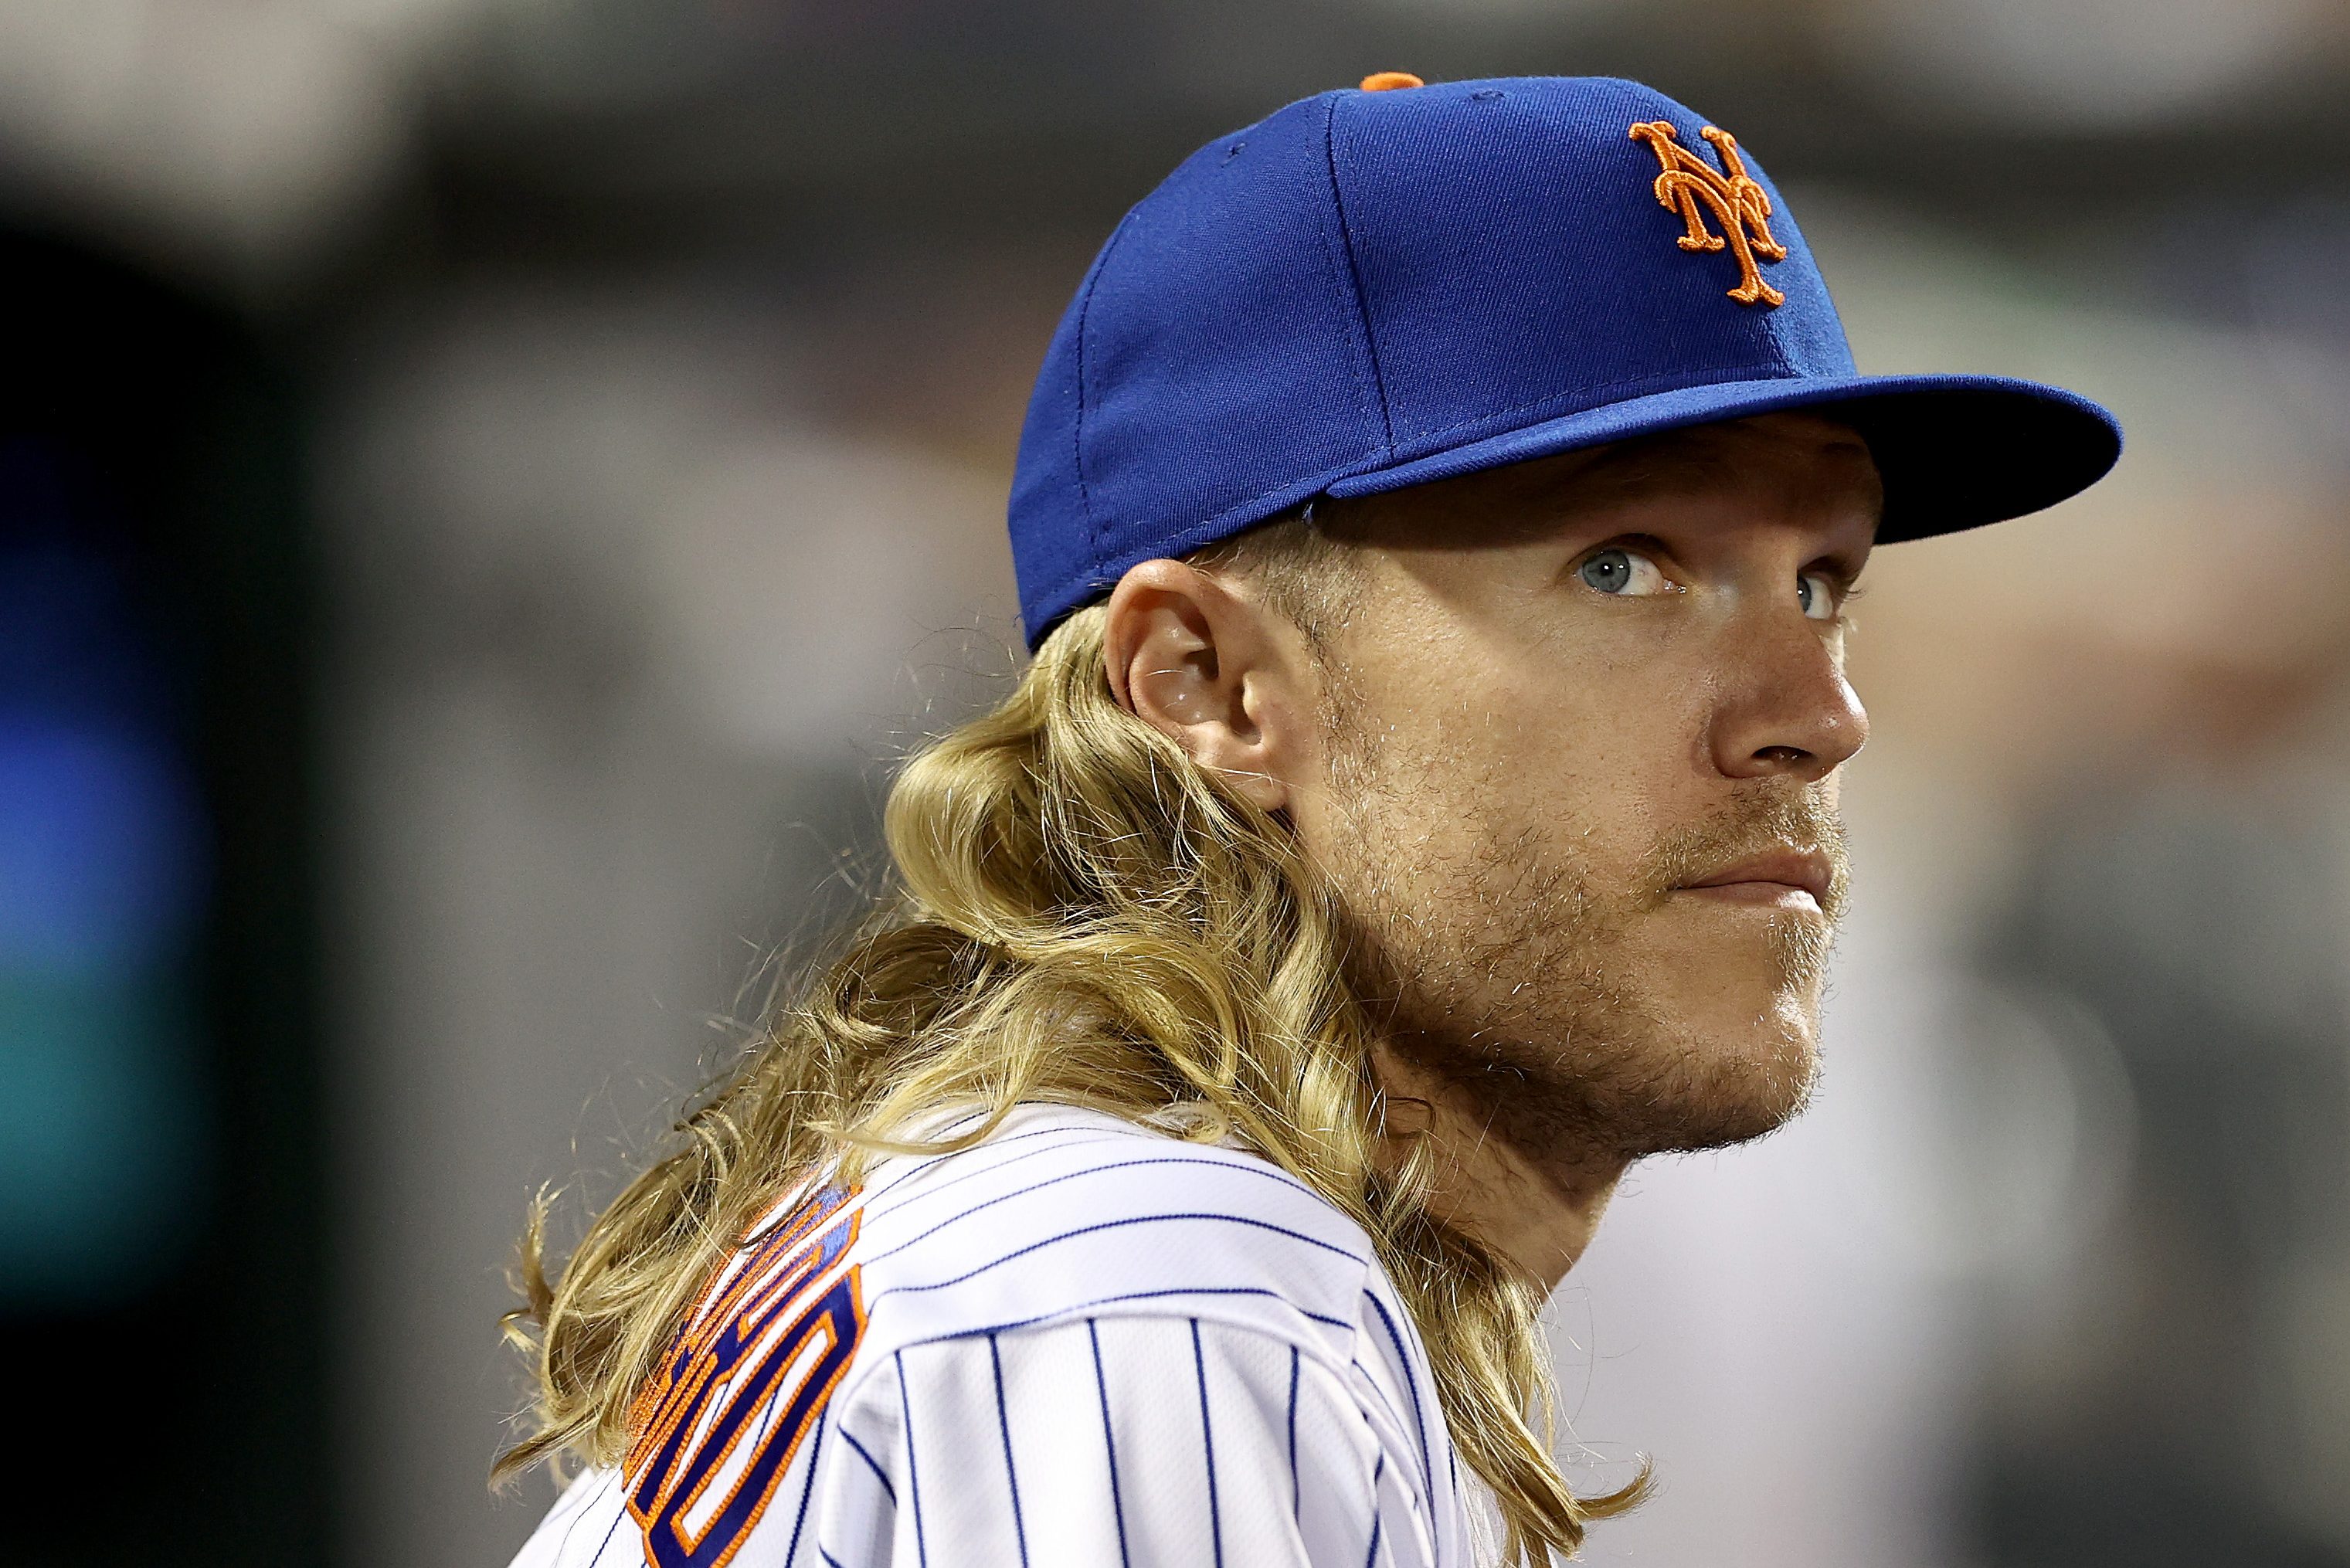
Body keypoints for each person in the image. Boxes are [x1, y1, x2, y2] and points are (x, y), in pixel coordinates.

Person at [499, 72, 2119, 1568]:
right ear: (1208, 686)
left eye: (1821, 581)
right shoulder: (1165, 1290)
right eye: (1624, 565)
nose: (1819, 714)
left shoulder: (1119, 1248)